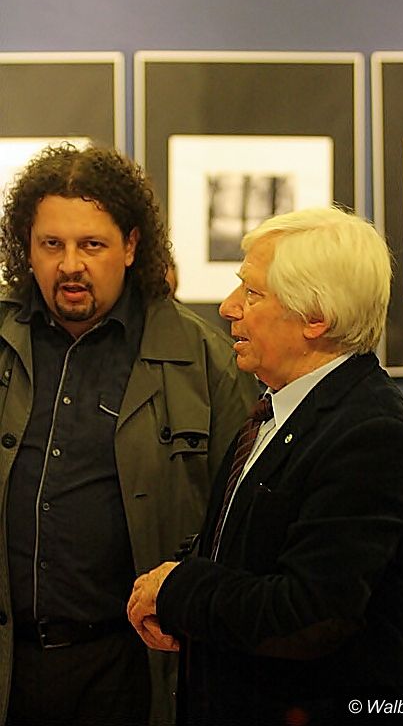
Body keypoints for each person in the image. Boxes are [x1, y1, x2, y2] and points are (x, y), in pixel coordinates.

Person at [127, 206, 403, 726]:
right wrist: (177, 597)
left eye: (252, 293)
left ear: (316, 317)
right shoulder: (279, 410)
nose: (229, 307)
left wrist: (178, 591)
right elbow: (243, 550)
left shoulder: (372, 436)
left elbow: (308, 614)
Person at [0, 143, 258, 726]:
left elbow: (239, 530)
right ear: (26, 247)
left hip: (134, 670)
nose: (70, 264)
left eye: (91, 244)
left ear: (131, 246)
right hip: (10, 668)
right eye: (52, 244)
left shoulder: (205, 360)